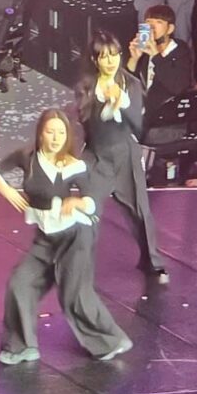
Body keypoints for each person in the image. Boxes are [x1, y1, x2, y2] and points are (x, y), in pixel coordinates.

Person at [0, 109, 132, 363]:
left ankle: (110, 341)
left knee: (74, 294)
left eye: (61, 133)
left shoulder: (73, 165)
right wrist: (5, 189)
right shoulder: (27, 157)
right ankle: (21, 346)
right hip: (46, 238)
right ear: (41, 133)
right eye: (50, 132)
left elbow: (92, 201)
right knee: (20, 283)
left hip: (75, 237)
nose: (55, 138)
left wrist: (78, 202)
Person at [78, 30, 168, 283]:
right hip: (97, 156)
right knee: (86, 211)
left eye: (114, 55)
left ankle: (152, 261)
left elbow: (137, 125)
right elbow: (84, 122)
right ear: (95, 60)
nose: (110, 61)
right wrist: (105, 107)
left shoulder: (131, 84)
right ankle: (77, 263)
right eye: (104, 57)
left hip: (124, 155)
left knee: (140, 211)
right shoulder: (87, 86)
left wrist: (120, 102)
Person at [126, 3, 193, 141]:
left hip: (169, 124)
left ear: (170, 28)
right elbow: (126, 84)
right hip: (144, 120)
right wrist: (134, 58)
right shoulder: (145, 51)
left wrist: (156, 56)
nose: (152, 26)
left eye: (158, 22)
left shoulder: (180, 51)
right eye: (148, 22)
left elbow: (178, 87)